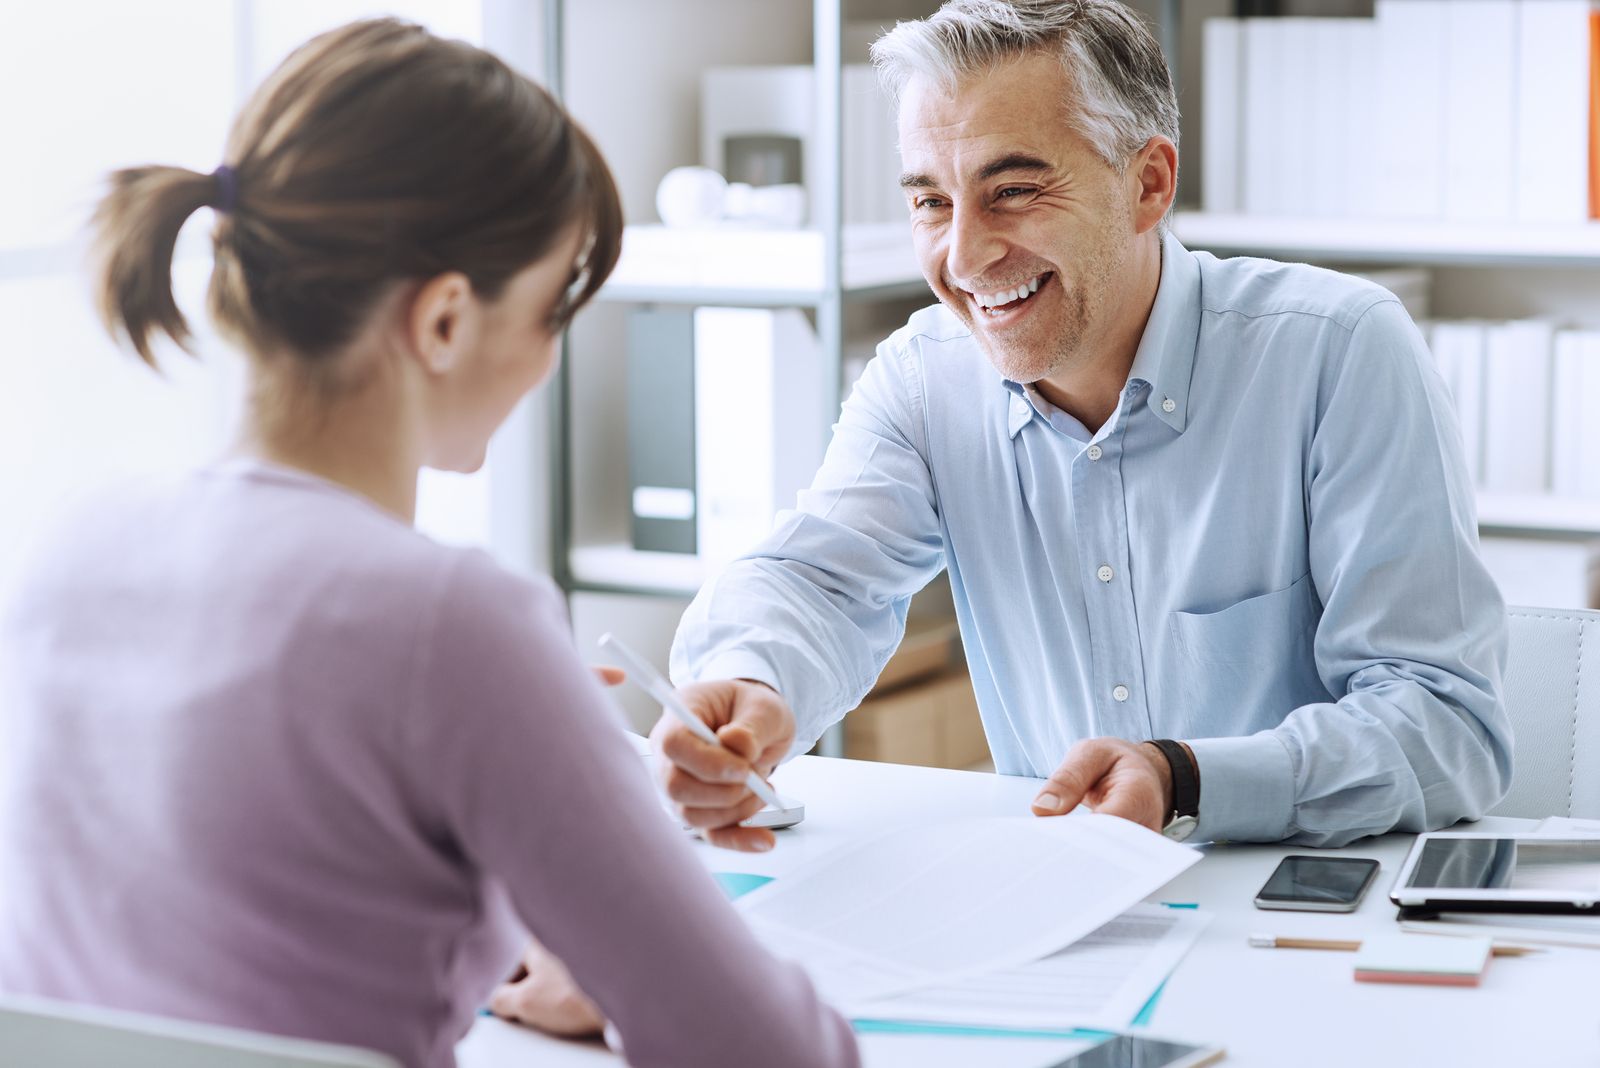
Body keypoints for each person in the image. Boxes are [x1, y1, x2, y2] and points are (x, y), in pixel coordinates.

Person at [0, 20, 858, 1068]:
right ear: (445, 321)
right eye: (551, 310)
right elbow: (771, 1054)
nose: (548, 359)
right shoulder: (453, 625)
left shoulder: (68, 548)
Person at [655, 0, 1510, 853]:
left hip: (1293, 911)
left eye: (1014, 192)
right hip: (1065, 906)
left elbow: (1447, 725)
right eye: (930, 202)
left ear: (1148, 185)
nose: (961, 257)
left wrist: (1186, 778)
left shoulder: (1339, 353)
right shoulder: (925, 378)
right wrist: (750, 678)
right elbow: (818, 581)